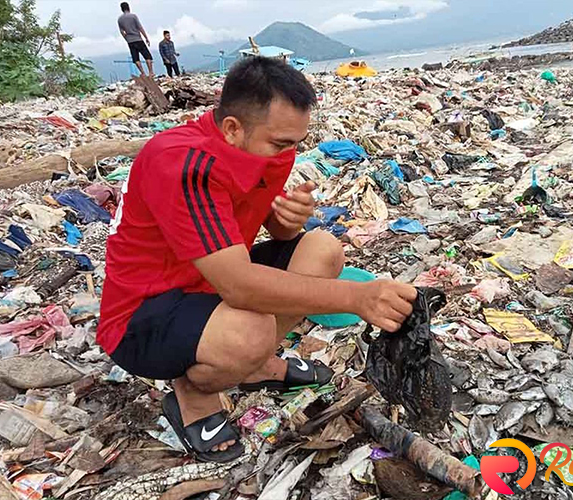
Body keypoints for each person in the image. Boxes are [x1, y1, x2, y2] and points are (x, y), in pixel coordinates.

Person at [98, 57, 417, 463]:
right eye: (282, 142)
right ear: (233, 128)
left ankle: (255, 365)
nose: (290, 152)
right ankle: (193, 395)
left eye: (295, 141)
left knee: (322, 249)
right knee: (251, 329)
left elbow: (275, 231)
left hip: (211, 280)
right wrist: (357, 298)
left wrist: (288, 220)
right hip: (145, 312)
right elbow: (239, 285)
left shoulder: (269, 149)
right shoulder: (182, 163)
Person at [117, 2, 153, 77]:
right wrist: (146, 37)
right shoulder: (133, 16)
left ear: (121, 9)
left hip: (130, 41)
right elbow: (140, 27)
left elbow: (122, 32)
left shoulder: (120, 19)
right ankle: (150, 72)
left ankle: (143, 73)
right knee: (147, 56)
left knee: (136, 58)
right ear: (128, 7)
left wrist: (126, 39)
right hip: (138, 39)